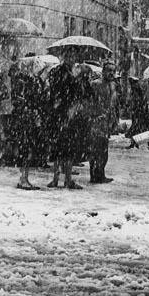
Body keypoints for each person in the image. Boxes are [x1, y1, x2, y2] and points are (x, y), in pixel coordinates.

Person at [46, 47, 93, 189]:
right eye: (70, 56)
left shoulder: (68, 72)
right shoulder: (61, 72)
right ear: (65, 57)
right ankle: (60, 179)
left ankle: (64, 179)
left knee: (66, 148)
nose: (72, 59)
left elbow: (84, 94)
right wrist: (75, 79)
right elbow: (60, 92)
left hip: (66, 114)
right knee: (62, 148)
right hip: (63, 114)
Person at [9, 56, 48, 189]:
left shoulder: (34, 81)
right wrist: (29, 105)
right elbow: (19, 99)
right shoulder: (26, 81)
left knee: (29, 147)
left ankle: (24, 177)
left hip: (31, 117)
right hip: (27, 118)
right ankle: (23, 178)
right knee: (26, 147)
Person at [88, 61, 119, 184]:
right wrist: (95, 115)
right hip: (96, 121)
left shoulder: (113, 85)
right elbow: (89, 102)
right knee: (96, 150)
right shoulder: (96, 84)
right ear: (103, 71)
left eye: (113, 71)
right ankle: (95, 175)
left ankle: (100, 173)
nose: (111, 73)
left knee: (103, 150)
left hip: (106, 122)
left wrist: (114, 119)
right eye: (109, 70)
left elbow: (113, 105)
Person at [125, 77, 149, 148]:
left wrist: (134, 107)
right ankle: (135, 143)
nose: (130, 84)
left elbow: (138, 101)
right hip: (139, 112)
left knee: (143, 128)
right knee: (140, 127)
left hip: (140, 112)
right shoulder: (136, 89)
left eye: (131, 83)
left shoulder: (136, 90)